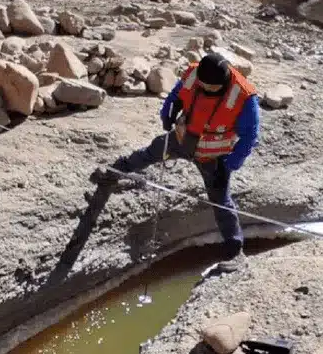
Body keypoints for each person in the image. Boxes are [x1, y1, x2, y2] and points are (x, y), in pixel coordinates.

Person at [90, 52, 261, 272]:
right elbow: (176, 96)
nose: (205, 89)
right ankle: (113, 173)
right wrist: (168, 113)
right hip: (183, 138)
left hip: (212, 155)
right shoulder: (194, 73)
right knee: (149, 153)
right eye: (203, 85)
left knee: (220, 201)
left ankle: (235, 252)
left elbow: (250, 136)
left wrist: (231, 163)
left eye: (211, 88)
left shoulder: (244, 96)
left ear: (223, 81)